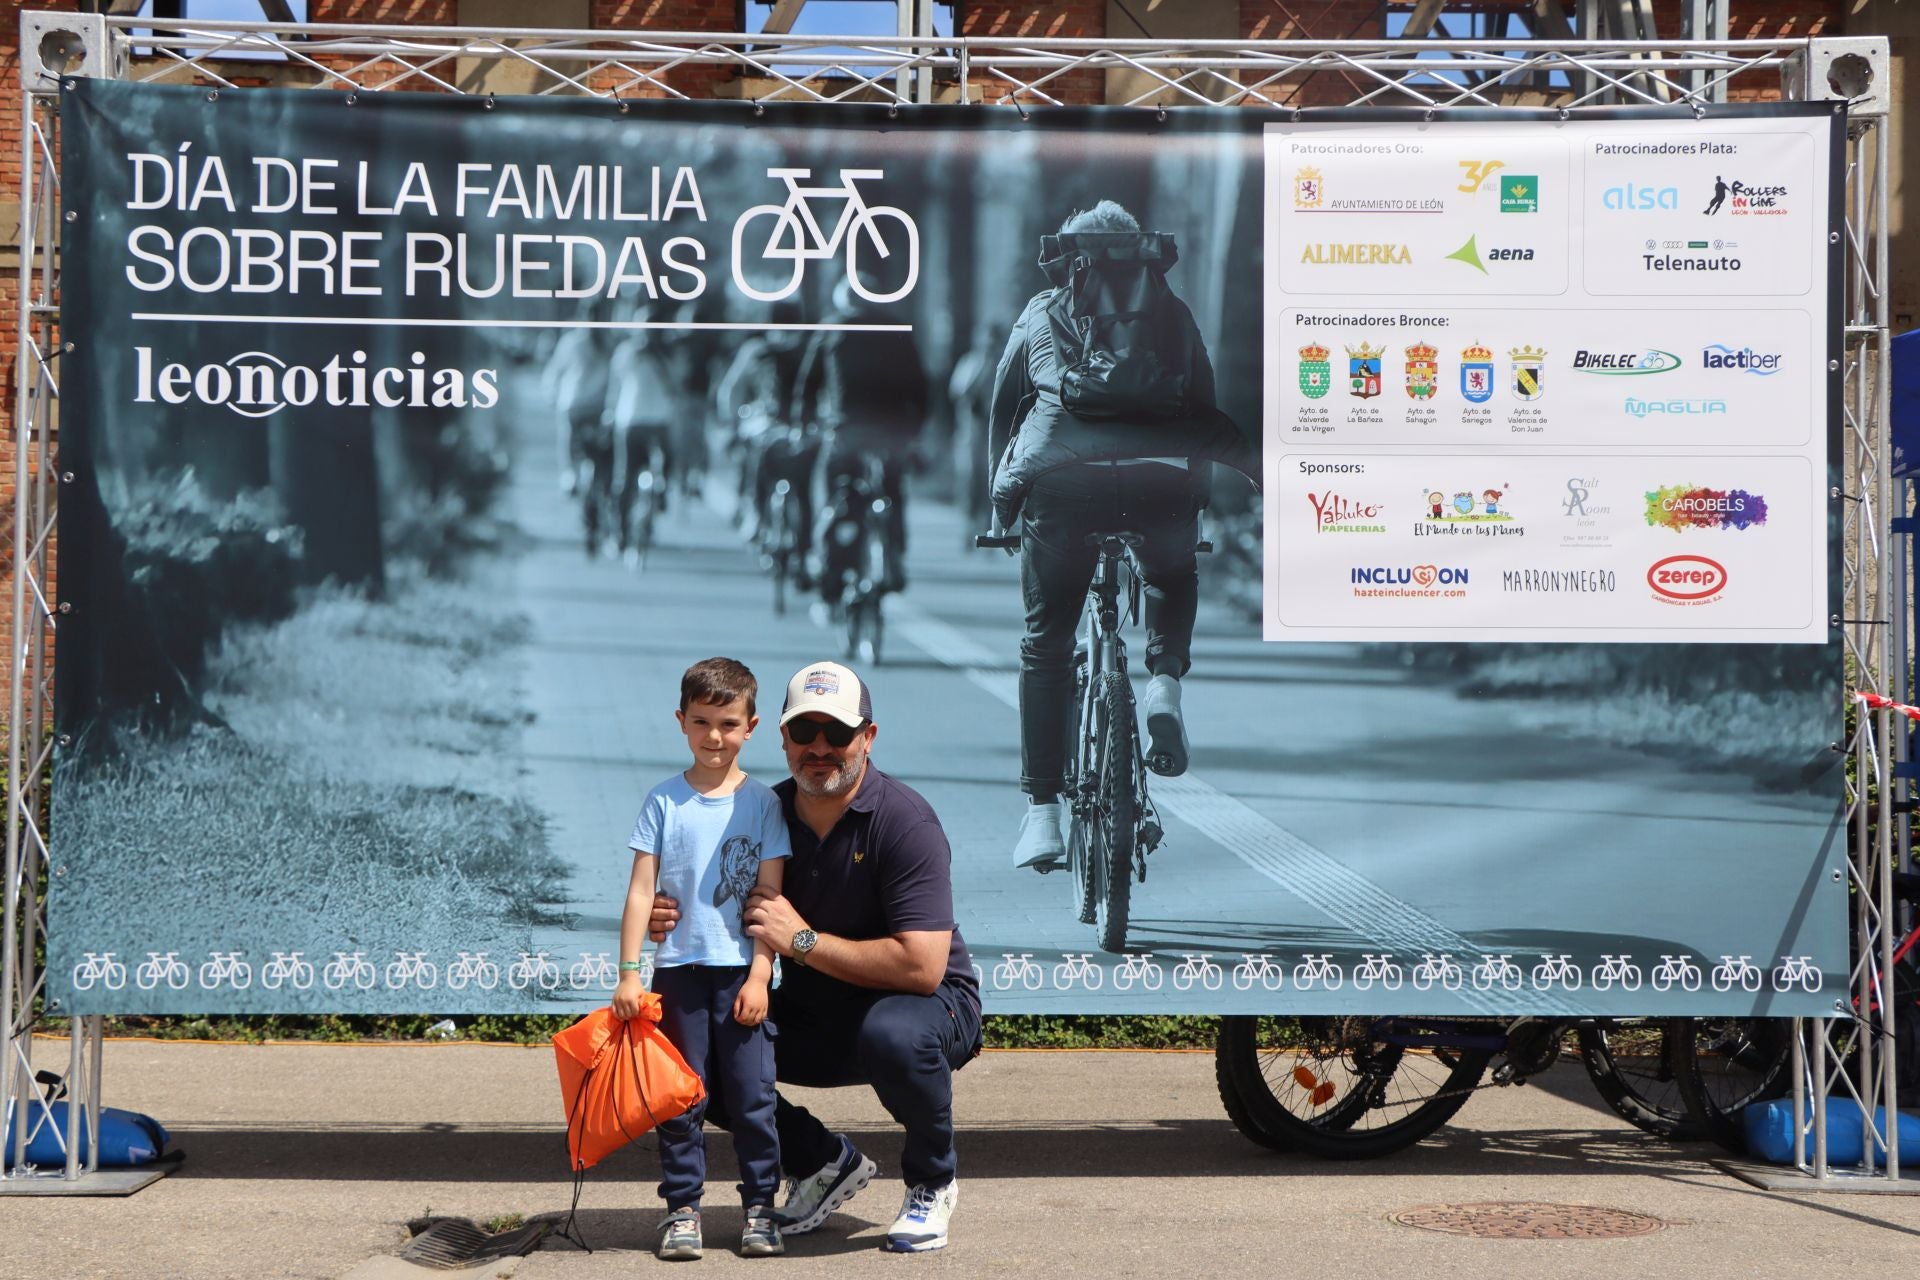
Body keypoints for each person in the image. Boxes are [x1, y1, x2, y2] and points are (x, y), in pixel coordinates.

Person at [650, 660, 981, 1253]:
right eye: (804, 732)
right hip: (816, 1008)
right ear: (781, 737)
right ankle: (823, 1163)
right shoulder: (757, 812)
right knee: (704, 1056)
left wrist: (801, 941)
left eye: (838, 732)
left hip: (925, 1007)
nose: (820, 747)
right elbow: (712, 907)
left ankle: (933, 1183)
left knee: (894, 1035)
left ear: (868, 738)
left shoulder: (905, 822)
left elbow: (923, 967)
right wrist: (665, 918)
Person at [985, 200, 1247, 871]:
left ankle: (1042, 815)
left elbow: (1004, 402)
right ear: (1139, 253)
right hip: (1160, 483)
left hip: (1063, 487)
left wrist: (997, 509)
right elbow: (1204, 402)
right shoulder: (1171, 312)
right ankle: (1162, 681)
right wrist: (1198, 502)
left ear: (1071, 257)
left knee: (1046, 645)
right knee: (1170, 571)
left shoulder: (1043, 310)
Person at [613, 657, 793, 1260]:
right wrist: (630, 973)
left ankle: (761, 1210)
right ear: (681, 722)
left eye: (728, 723)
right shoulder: (663, 801)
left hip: (742, 975)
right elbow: (642, 891)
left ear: (752, 726)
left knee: (751, 1100)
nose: (714, 737)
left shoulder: (764, 803)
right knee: (681, 1098)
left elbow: (769, 900)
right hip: (679, 974)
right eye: (702, 722)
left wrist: (762, 974)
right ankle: (683, 1210)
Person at [794, 278, 929, 601]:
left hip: (846, 428)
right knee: (893, 491)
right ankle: (894, 554)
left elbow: (808, 384)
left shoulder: (831, 329)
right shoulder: (896, 329)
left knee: (834, 497)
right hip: (892, 430)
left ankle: (831, 576)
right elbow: (919, 385)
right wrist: (914, 430)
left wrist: (804, 424)